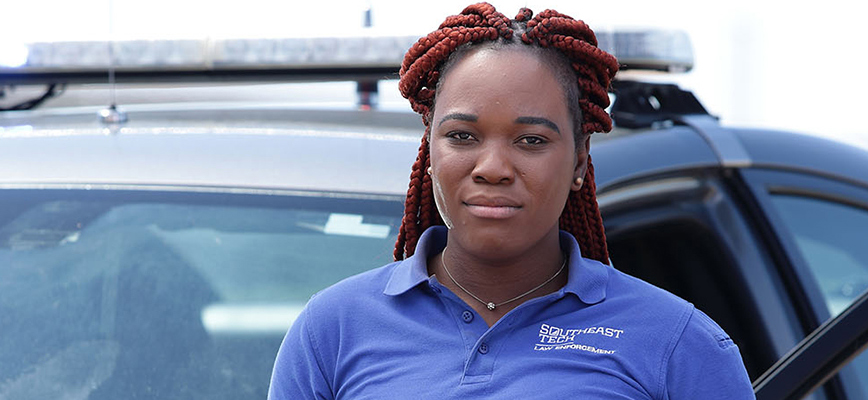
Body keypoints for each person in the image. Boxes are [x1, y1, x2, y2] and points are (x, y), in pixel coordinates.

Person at [269, 3, 755, 399]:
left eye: (531, 141)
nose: (493, 167)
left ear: (581, 162)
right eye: (462, 136)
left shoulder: (678, 344)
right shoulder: (331, 330)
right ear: (430, 152)